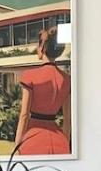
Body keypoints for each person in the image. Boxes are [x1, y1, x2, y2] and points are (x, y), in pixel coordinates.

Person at [15, 26, 71, 155]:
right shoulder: (67, 79)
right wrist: (65, 143)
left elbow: (24, 115)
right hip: (60, 142)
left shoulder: (30, 75)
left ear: (42, 48)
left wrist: (17, 146)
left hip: (33, 139)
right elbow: (67, 119)